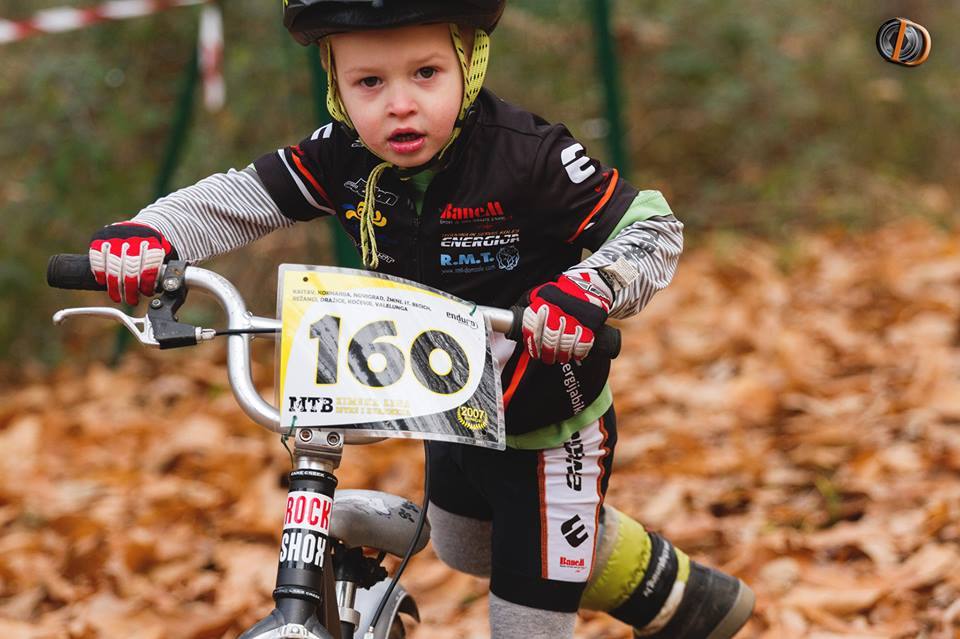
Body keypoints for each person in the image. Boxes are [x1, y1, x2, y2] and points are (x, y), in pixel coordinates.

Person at [86, 2, 754, 637]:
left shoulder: (526, 153)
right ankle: (677, 592)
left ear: (471, 62)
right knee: (466, 545)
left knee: (527, 602)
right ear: (335, 85)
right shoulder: (341, 154)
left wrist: (590, 287)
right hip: (444, 409)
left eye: (425, 73)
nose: (399, 103)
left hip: (548, 424)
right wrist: (153, 232)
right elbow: (239, 199)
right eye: (368, 81)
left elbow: (653, 226)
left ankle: (626, 568)